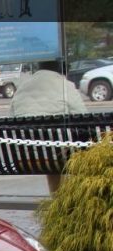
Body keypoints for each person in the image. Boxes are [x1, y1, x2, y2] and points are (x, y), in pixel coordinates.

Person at [10, 60, 87, 193]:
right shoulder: (65, 86)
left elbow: (11, 120)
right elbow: (83, 119)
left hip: (25, 159)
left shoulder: (22, 87)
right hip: (58, 157)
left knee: (50, 154)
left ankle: (58, 200)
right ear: (60, 68)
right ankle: (67, 202)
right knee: (61, 153)